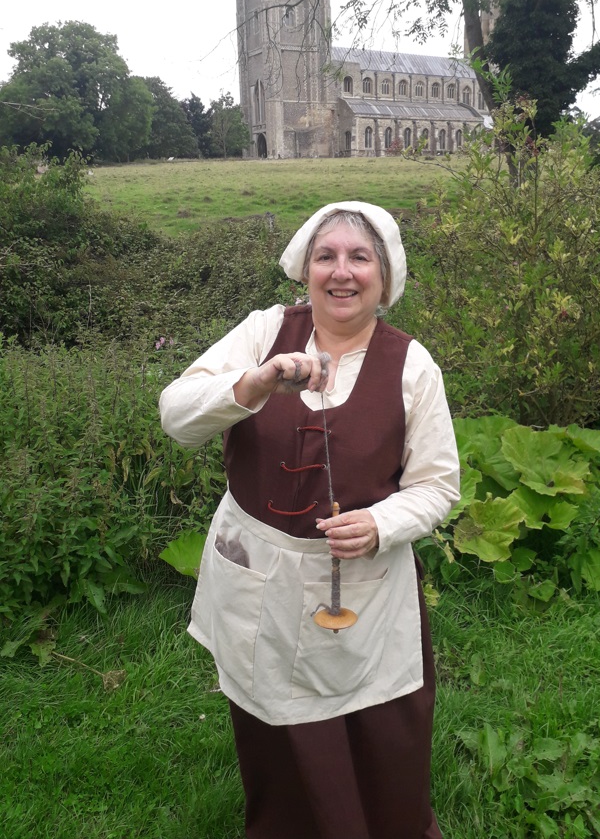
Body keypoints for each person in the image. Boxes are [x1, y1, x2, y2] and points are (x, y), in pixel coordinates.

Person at [159, 200, 460, 839]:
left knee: (381, 729)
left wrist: (382, 523)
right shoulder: (266, 331)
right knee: (274, 727)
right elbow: (177, 417)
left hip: (364, 588)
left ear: (385, 275)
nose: (341, 272)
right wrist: (253, 384)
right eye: (327, 256)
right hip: (259, 577)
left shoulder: (411, 365)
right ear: (305, 269)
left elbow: (437, 486)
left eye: (360, 257)